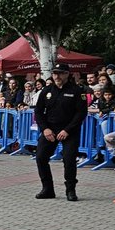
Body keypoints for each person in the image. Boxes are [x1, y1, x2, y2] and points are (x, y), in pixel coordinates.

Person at [34, 62, 88, 201]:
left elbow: (81, 113)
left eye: (60, 73)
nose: (56, 76)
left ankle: (70, 190)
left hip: (69, 130)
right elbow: (38, 112)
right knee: (40, 157)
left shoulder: (76, 90)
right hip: (50, 129)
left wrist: (67, 130)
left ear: (67, 74)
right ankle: (47, 189)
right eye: (54, 73)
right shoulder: (46, 91)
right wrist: (45, 129)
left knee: (69, 159)